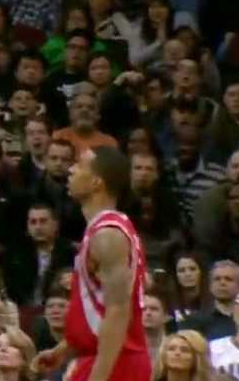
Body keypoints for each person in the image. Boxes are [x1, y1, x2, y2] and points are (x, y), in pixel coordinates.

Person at [33, 147, 152, 381]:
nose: (71, 169)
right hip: (105, 357)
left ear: (97, 181)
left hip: (118, 362)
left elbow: (118, 311)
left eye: (79, 165)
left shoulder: (107, 235)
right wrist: (64, 349)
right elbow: (99, 309)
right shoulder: (103, 229)